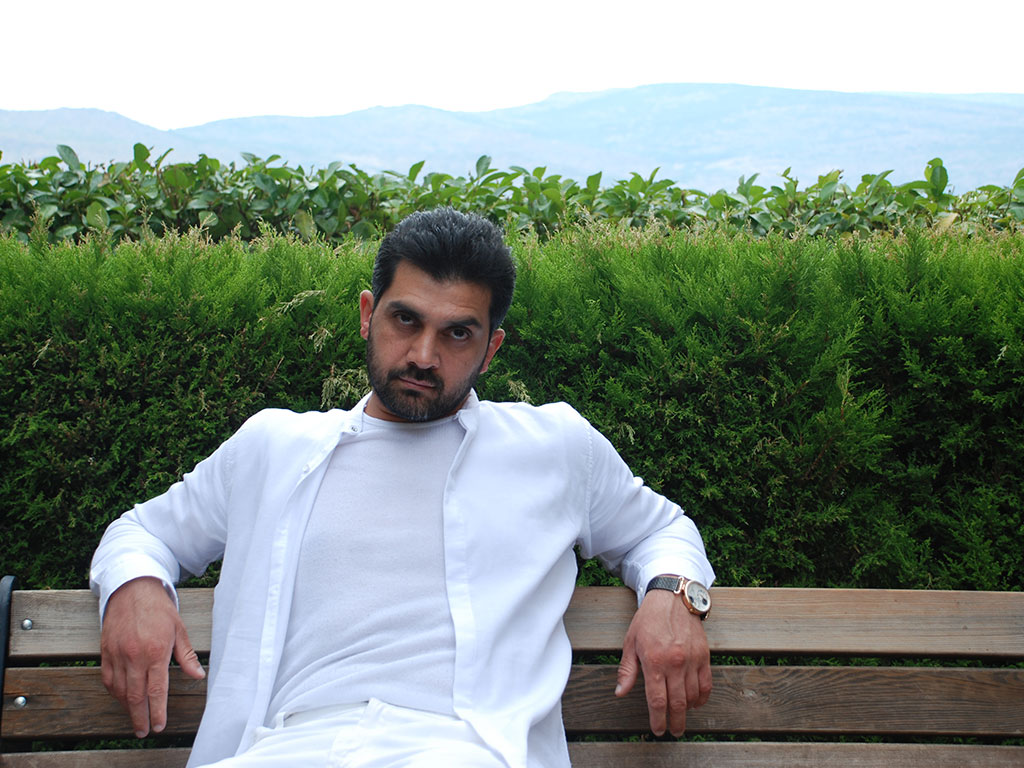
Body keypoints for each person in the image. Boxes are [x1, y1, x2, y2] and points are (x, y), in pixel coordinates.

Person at [90, 207, 715, 768]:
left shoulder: (552, 448)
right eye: (405, 319)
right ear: (369, 314)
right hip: (284, 748)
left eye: (457, 333)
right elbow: (141, 533)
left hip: (468, 749)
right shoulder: (273, 447)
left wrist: (674, 594)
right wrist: (135, 585)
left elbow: (662, 531)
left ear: (491, 349)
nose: (422, 354)